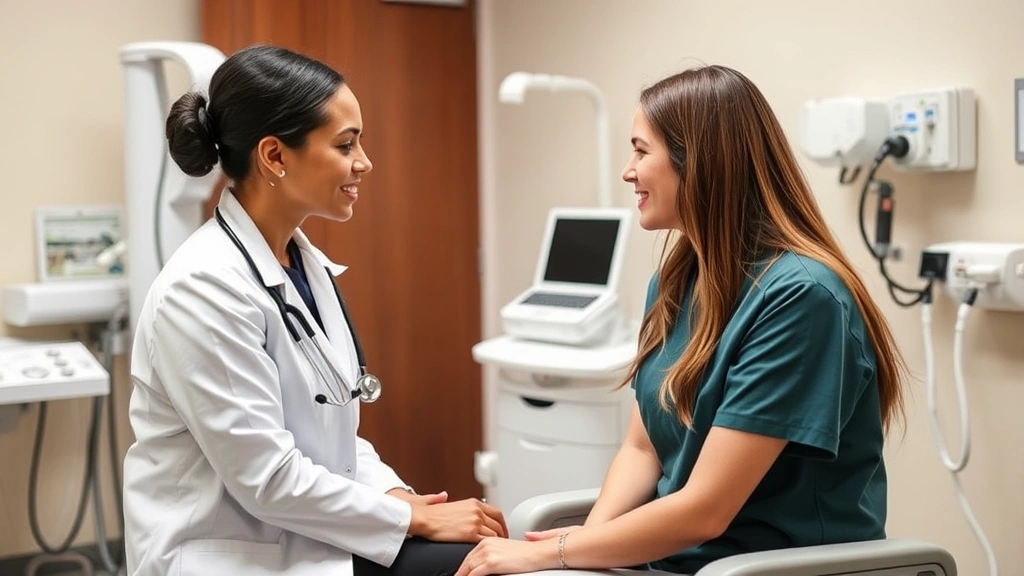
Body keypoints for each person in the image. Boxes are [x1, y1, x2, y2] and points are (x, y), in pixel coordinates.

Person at [455, 64, 907, 575]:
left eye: (641, 151)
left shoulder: (802, 298)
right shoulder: (675, 283)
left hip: (767, 568)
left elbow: (706, 512)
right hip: (674, 562)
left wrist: (548, 552)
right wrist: (581, 555)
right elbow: (641, 447)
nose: (628, 171)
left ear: (699, 163)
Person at [122, 44, 506, 576]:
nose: (364, 163)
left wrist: (398, 495)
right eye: (346, 144)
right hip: (229, 552)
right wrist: (406, 517)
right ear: (275, 156)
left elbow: (333, 439)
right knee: (477, 565)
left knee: (488, 558)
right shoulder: (203, 289)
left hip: (307, 532)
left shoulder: (300, 266)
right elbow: (268, 480)